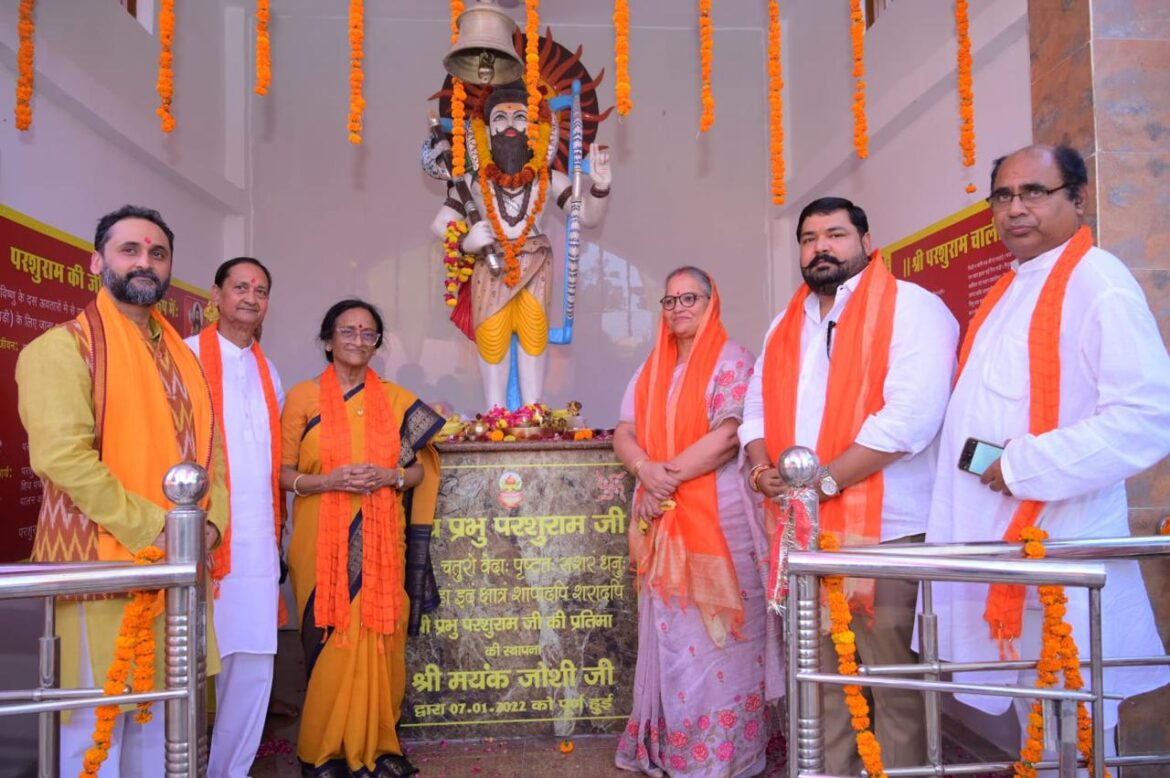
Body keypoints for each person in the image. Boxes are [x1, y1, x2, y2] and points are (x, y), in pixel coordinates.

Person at [926, 144, 1170, 768]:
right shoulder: (1011, 287)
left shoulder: (1098, 280)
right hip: (1009, 557)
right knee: (1037, 735)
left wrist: (1022, 466)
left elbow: (1147, 419)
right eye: (1003, 196)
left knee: (1075, 738)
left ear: (1077, 198)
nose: (1015, 208)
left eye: (1034, 192)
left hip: (1061, 550)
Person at [740, 197, 958, 775]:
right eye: (809, 238)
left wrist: (822, 484)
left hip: (886, 534)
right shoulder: (785, 325)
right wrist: (762, 470)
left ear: (865, 240)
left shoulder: (912, 308)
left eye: (835, 234)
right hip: (805, 537)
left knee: (894, 686)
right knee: (822, 685)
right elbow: (755, 410)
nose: (821, 248)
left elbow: (910, 420)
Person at [15, 204, 227, 776]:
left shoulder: (183, 359)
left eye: (157, 253)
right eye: (129, 249)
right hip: (98, 574)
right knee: (94, 739)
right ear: (97, 262)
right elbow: (63, 459)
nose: (144, 262)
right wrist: (158, 528)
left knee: (158, 735)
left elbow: (211, 452)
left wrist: (209, 525)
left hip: (173, 575)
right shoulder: (61, 348)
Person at [613, 267, 778, 778]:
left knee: (722, 638)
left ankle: (725, 754)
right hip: (662, 521)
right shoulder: (651, 368)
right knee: (675, 638)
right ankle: (680, 748)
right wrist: (646, 469)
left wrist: (663, 478)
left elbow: (729, 436)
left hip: (720, 525)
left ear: (711, 303)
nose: (679, 308)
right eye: (670, 300)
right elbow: (624, 431)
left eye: (690, 298)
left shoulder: (733, 360)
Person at [280, 299, 444, 778]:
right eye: (347, 331)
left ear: (377, 344)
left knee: (380, 638)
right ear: (328, 340)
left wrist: (391, 476)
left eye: (368, 333)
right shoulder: (303, 398)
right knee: (331, 639)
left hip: (381, 540)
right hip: (319, 541)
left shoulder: (395, 400)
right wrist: (328, 481)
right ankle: (322, 752)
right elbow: (283, 474)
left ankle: (379, 746)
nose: (357, 340)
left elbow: (420, 469)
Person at [429, 82, 611, 409]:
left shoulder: (548, 179)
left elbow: (586, 217)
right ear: (485, 132)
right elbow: (440, 224)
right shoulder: (471, 182)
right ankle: (495, 412)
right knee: (492, 337)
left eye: (520, 118)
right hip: (490, 265)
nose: (510, 125)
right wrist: (468, 242)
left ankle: (532, 412)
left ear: (535, 130)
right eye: (500, 118)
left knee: (534, 335)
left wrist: (600, 187)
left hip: (535, 263)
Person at [185, 257, 284, 778]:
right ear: (216, 294)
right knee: (180, 665)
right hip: (198, 535)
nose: (250, 297)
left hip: (257, 541)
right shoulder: (183, 357)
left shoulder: (270, 372)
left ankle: (229, 771)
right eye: (240, 287)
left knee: (252, 665)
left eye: (260, 290)